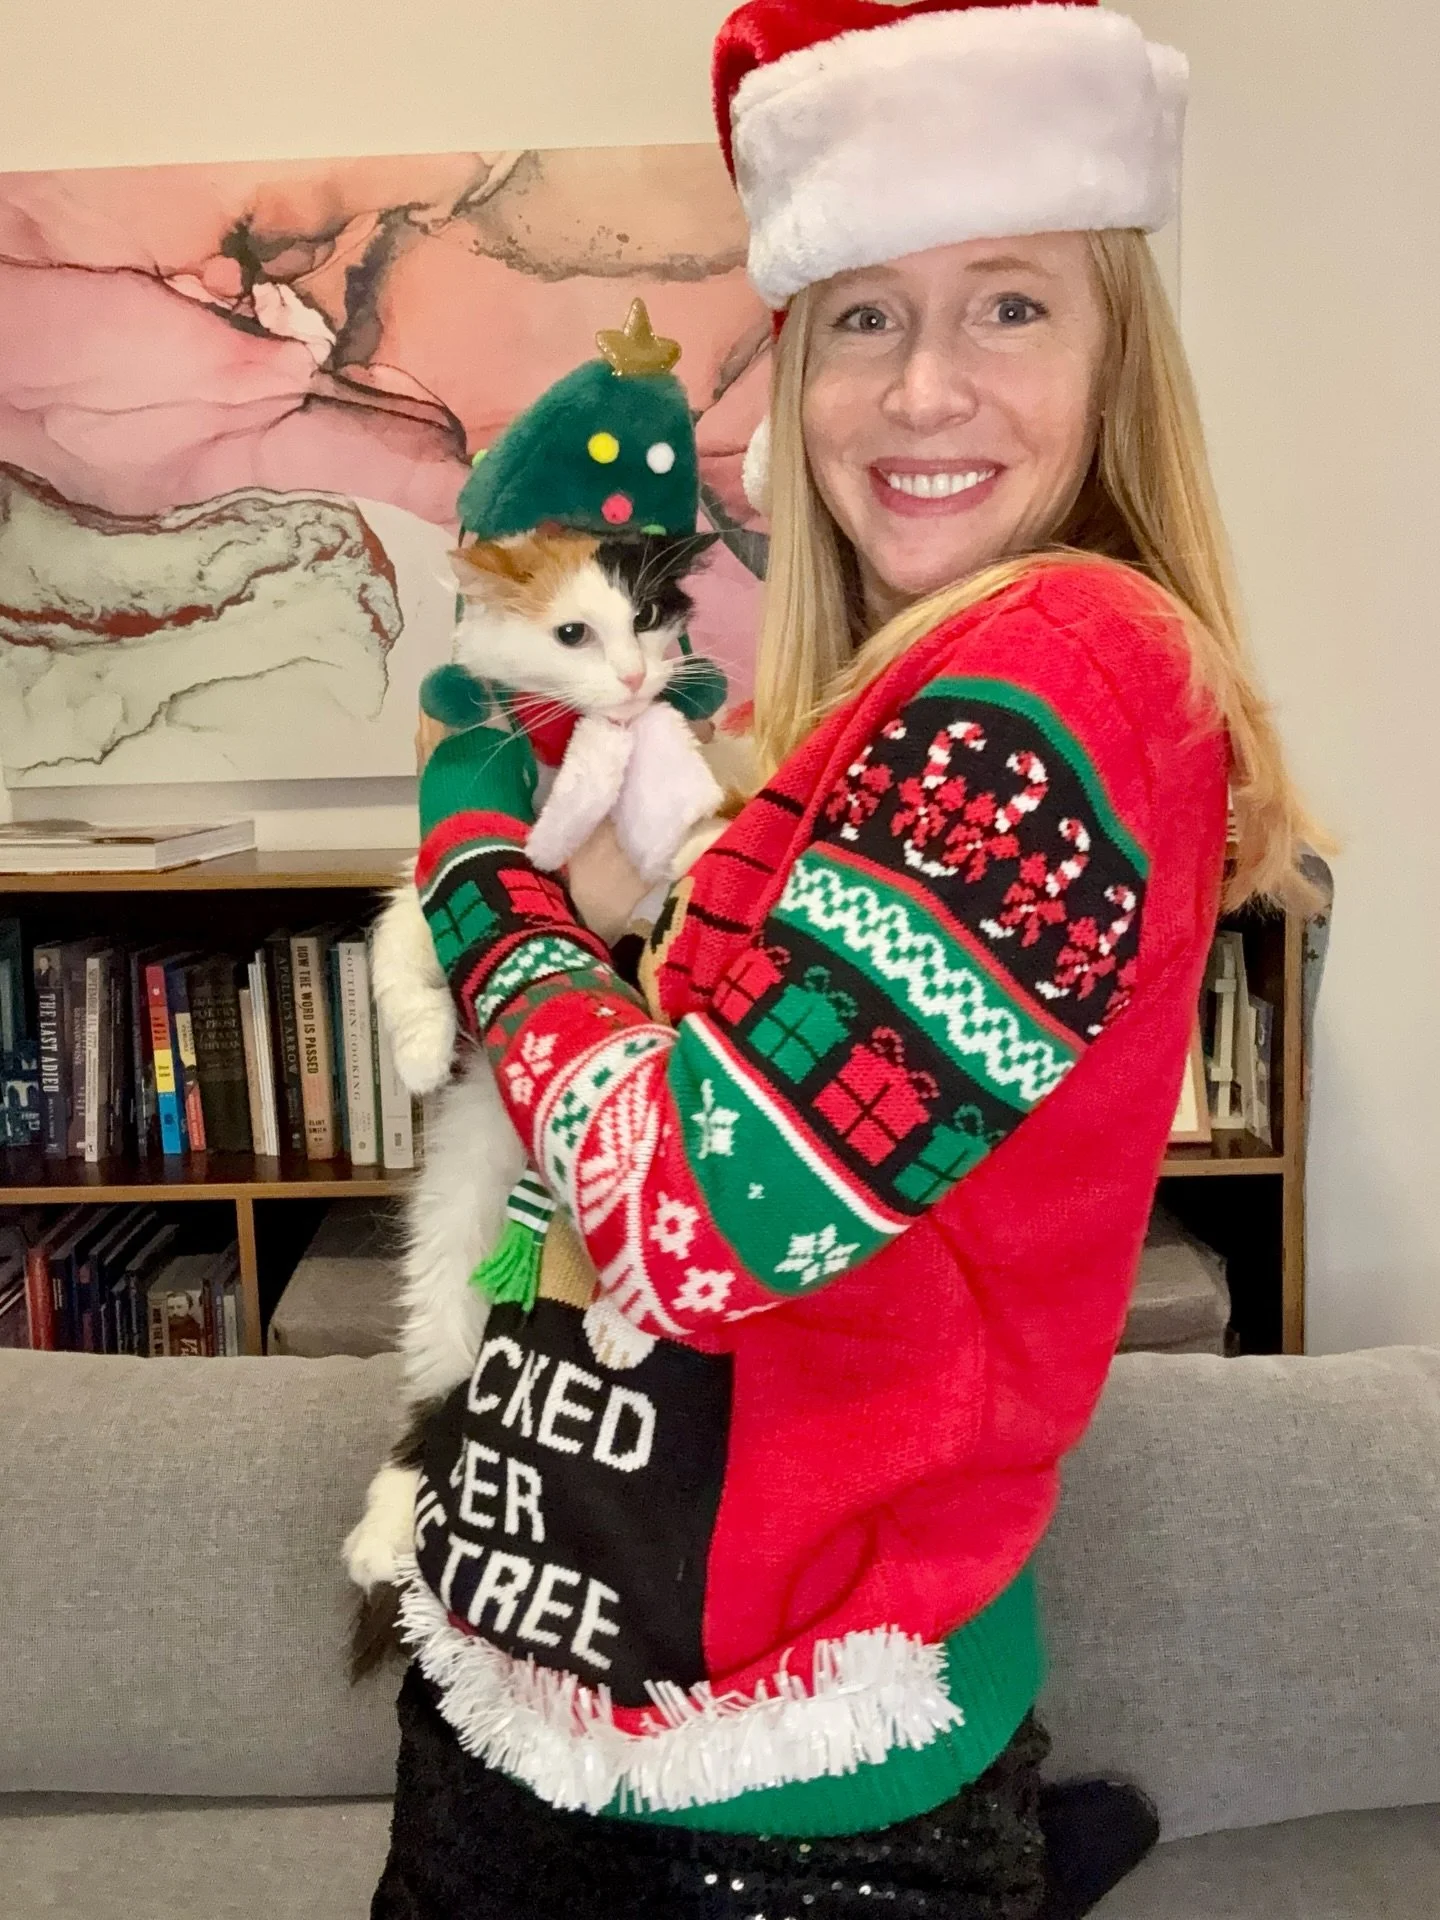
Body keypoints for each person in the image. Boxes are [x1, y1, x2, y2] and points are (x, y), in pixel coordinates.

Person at [371, 3, 1317, 1916]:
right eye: (866, 316)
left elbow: (689, 1218)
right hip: (563, 1659)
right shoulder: (881, 699)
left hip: (772, 1795)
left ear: (1118, 353)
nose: (923, 390)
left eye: (1010, 305)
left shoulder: (1063, 672)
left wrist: (476, 872)